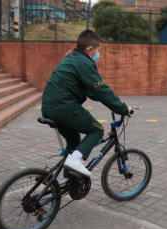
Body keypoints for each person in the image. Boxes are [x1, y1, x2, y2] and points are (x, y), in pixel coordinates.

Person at [41, 30, 132, 182]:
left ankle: (67, 182)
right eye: (98, 51)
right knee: (96, 130)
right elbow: (102, 90)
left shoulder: (72, 59)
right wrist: (122, 108)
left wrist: (111, 102)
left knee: (74, 142)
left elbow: (92, 91)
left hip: (50, 108)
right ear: (90, 49)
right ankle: (75, 161)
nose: (98, 55)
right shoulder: (84, 63)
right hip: (65, 107)